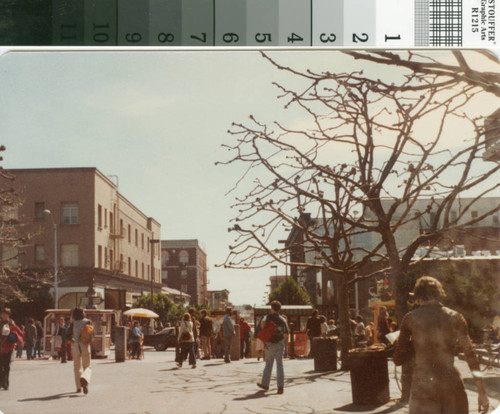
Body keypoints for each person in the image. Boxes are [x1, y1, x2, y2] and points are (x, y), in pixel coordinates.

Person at [394, 276, 489, 414]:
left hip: (423, 386)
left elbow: (397, 359)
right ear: (439, 294)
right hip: (451, 384)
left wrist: (404, 343)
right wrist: (482, 392)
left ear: (418, 297)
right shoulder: (455, 317)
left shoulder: (409, 319)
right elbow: (470, 355)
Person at [256, 301, 289, 394]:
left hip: (269, 343)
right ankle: (280, 387)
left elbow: (262, 325)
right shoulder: (283, 319)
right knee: (280, 365)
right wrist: (281, 340)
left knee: (268, 364)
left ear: (272, 308)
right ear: (279, 309)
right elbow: (286, 333)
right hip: (279, 343)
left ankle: (265, 384)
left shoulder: (267, 317)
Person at [67, 307, 92, 394]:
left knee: (76, 367)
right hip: (85, 345)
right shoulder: (87, 321)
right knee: (87, 366)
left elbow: (68, 335)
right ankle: (84, 379)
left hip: (75, 346)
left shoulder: (73, 323)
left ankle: (78, 387)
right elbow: (91, 333)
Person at [0, 308, 23, 390]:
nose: (3, 316)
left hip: (9, 347)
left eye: (5, 314)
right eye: (2, 314)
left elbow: (20, 333)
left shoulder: (11, 323)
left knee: (6, 366)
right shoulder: (0, 323)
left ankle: (5, 383)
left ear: (8, 315)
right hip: (1, 347)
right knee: (1, 366)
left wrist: (13, 327)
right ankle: (2, 382)